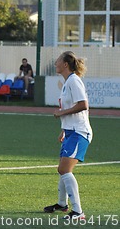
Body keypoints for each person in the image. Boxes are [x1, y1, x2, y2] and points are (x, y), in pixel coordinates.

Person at [44, 51, 92, 220]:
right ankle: (62, 204)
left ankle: (78, 212)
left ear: (65, 64)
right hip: (71, 131)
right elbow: (73, 109)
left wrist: (62, 113)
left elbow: (83, 105)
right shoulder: (67, 82)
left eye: (57, 60)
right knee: (63, 170)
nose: (55, 63)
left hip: (80, 132)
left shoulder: (73, 81)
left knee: (64, 169)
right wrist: (64, 130)